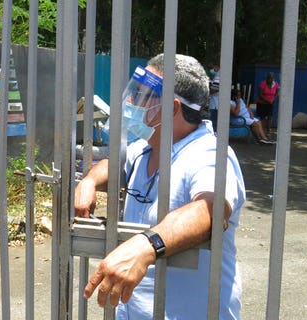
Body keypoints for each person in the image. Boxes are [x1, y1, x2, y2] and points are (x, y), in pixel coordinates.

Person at [74, 54, 244, 319]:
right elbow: (115, 162)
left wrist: (145, 245)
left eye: (142, 94)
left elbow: (210, 210)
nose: (131, 101)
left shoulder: (209, 154)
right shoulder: (147, 147)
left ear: (173, 108)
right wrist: (90, 181)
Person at [256, 72, 280, 137]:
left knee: (270, 116)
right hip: (262, 103)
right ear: (267, 78)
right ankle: (261, 131)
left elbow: (276, 93)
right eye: (268, 78)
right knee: (262, 117)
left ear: (273, 79)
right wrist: (267, 100)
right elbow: (260, 95)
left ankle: (268, 131)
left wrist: (273, 99)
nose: (270, 79)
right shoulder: (263, 84)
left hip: (270, 103)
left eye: (271, 78)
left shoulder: (276, 85)